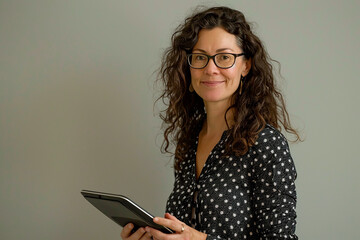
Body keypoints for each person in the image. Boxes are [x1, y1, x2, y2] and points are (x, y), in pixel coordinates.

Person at [121, 6, 300, 240]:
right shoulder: (190, 140)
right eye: (200, 57)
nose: (210, 69)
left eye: (224, 57)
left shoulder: (266, 144)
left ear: (246, 65)